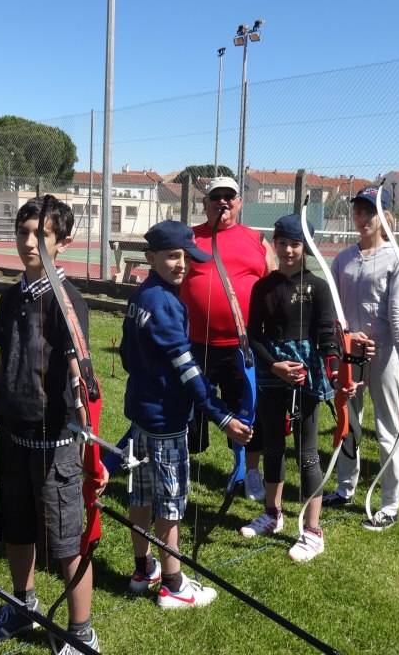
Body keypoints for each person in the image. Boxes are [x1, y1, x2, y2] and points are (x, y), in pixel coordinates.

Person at [0, 196, 105, 653]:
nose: (29, 242)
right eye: (23, 232)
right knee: (17, 527)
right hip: (13, 436)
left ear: (63, 243)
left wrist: (90, 446)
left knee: (68, 540)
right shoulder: (11, 297)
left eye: (41, 235)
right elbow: (1, 367)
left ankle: (80, 632)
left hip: (56, 443)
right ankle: (23, 606)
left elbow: (80, 375)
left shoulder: (68, 302)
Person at [120, 220, 252, 606]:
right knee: (170, 502)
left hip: (144, 414)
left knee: (141, 493)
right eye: (173, 256)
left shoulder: (143, 295)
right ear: (151, 257)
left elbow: (129, 357)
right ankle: (174, 586)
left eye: (187, 257)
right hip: (166, 421)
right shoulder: (164, 303)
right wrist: (221, 415)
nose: (182, 264)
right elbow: (188, 368)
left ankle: (144, 569)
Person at [242, 214, 345, 561]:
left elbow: (328, 336)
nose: (287, 250)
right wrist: (273, 365)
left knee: (307, 452)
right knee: (272, 444)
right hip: (272, 370)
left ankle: (312, 530)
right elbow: (252, 336)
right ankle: (273, 514)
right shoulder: (262, 287)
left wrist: (335, 376)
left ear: (307, 248)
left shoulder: (317, 286)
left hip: (306, 374)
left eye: (295, 243)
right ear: (274, 243)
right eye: (282, 242)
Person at [323, 186, 399, 531]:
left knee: (387, 427)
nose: (362, 218)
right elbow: (333, 309)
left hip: (385, 355)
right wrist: (343, 338)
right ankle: (344, 488)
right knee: (349, 421)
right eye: (358, 211)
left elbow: (398, 314)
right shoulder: (343, 258)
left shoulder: (397, 257)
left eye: (370, 212)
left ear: (383, 217)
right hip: (350, 352)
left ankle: (390, 503)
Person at [178, 175, 275, 501]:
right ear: (204, 203)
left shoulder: (257, 239)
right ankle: (180, 469)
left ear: (239, 202)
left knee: (246, 411)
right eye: (215, 197)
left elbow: (272, 286)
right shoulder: (189, 238)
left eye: (229, 197)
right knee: (188, 408)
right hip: (194, 343)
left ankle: (248, 472)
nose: (222, 202)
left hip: (241, 346)